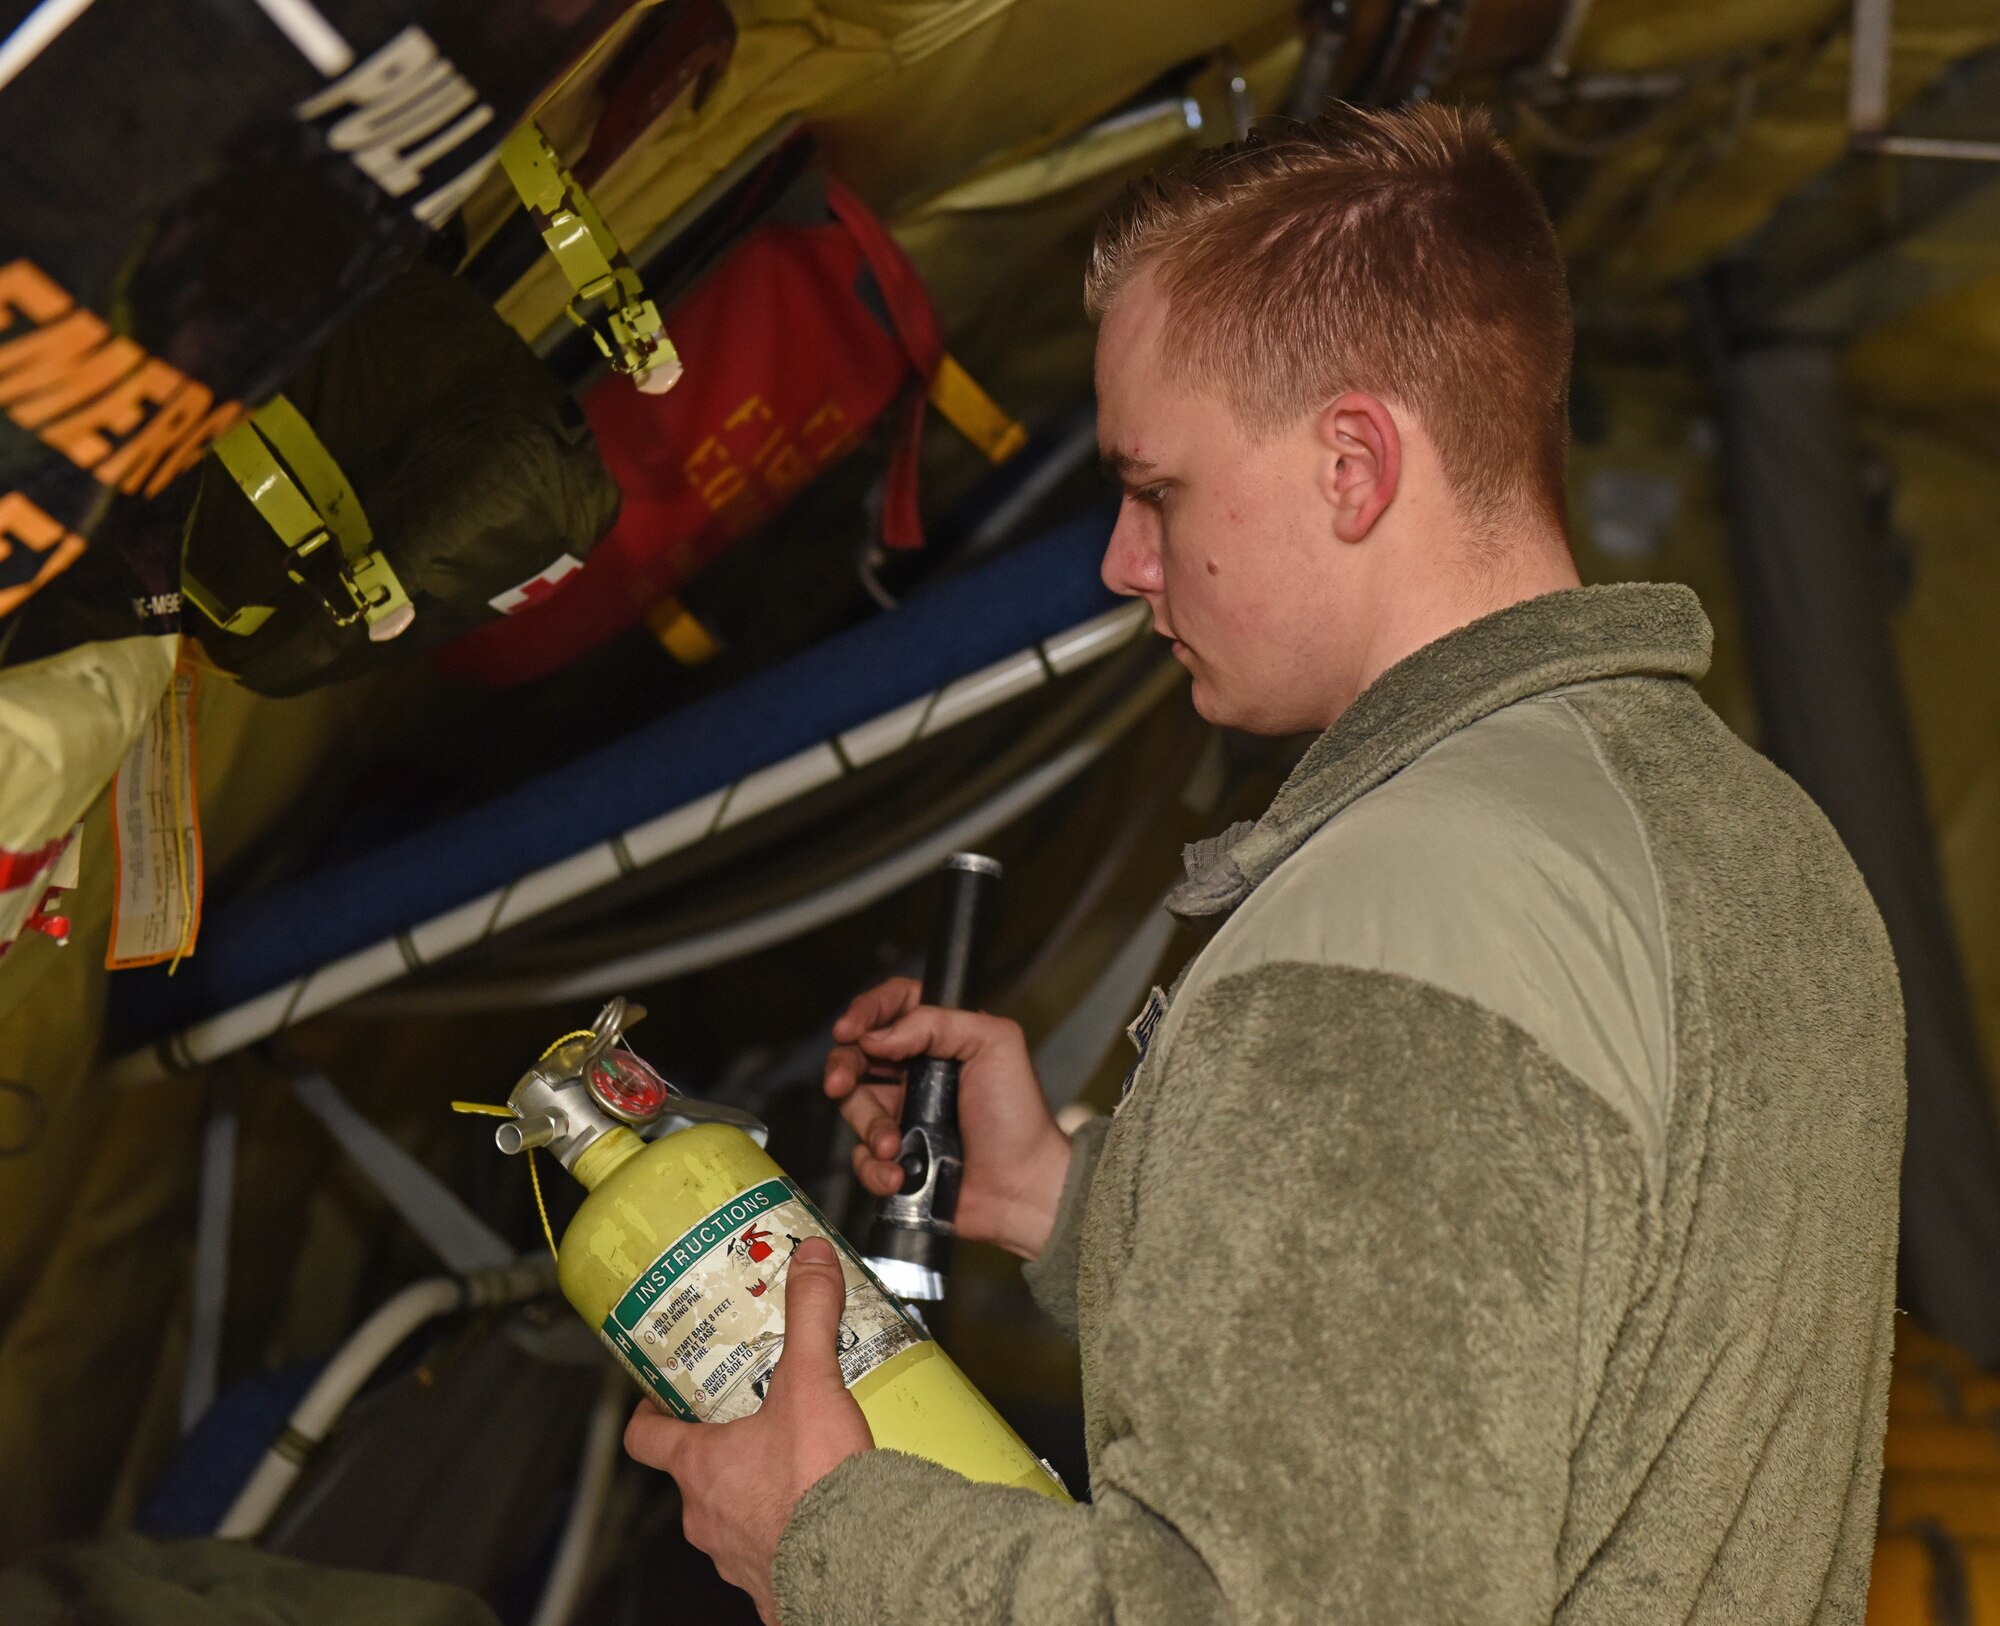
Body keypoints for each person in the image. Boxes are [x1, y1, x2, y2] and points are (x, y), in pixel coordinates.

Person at [624, 102, 1905, 1625]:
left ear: (1355, 465)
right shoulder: (1761, 844)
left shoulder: (1405, 922)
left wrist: (828, 1539)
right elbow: (1544, 1345)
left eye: (1154, 489)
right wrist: (1066, 1193)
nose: (1121, 560)